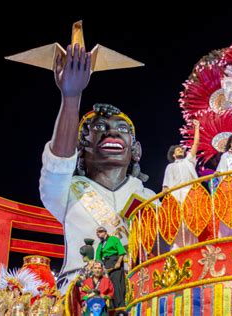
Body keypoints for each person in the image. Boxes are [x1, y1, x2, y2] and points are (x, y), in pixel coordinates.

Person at [39, 44, 156, 292]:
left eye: (122, 130)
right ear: (80, 148)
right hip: (81, 295)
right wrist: (71, 97)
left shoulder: (153, 200)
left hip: (143, 294)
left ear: (136, 151)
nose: (112, 132)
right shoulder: (65, 192)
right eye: (100, 128)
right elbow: (59, 163)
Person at [162, 119, 200, 248]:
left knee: (192, 220)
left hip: (190, 193)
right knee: (179, 222)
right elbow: (166, 186)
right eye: (177, 150)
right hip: (176, 195)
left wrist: (197, 128)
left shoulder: (189, 161)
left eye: (181, 149)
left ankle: (193, 245)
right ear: (173, 154)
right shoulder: (170, 167)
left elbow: (195, 144)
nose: (180, 151)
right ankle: (178, 246)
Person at [95, 226, 126, 308]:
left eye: (100, 232)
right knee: (109, 285)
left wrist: (119, 262)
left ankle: (120, 305)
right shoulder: (100, 245)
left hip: (114, 262)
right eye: (97, 233)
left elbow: (122, 252)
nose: (98, 234)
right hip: (106, 265)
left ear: (105, 232)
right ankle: (113, 305)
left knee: (116, 283)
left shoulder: (113, 239)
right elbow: (98, 259)